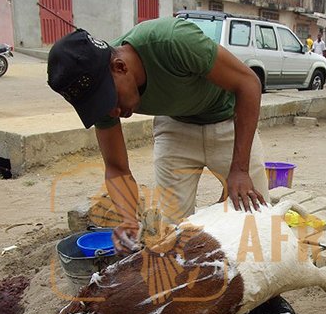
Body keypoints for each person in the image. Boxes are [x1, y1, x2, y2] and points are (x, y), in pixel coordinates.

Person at [47, 18, 268, 253]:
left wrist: (240, 170)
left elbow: (248, 83)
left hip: (227, 119)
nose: (113, 113)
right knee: (173, 231)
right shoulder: (100, 86)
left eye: (110, 101)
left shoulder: (173, 40)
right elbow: (116, 168)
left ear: (120, 67)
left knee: (257, 214)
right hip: (175, 124)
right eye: (99, 107)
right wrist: (129, 219)